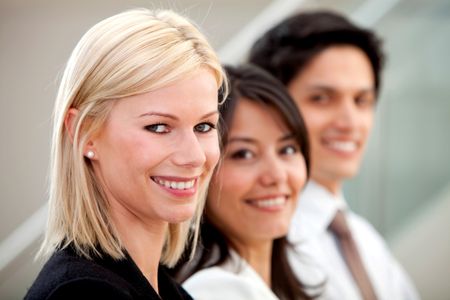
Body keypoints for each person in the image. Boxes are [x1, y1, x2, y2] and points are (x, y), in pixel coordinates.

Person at [24, 8, 227, 300]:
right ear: (85, 134)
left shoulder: (170, 292)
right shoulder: (83, 294)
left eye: (204, 126)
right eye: (158, 127)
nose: (194, 156)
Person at [249, 10, 419, 300]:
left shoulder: (366, 239)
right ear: (270, 106)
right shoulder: (260, 243)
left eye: (361, 100)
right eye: (322, 98)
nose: (350, 122)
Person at [170, 64, 316, 300]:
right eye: (244, 154)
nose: (277, 175)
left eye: (287, 149)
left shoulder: (300, 270)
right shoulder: (216, 291)